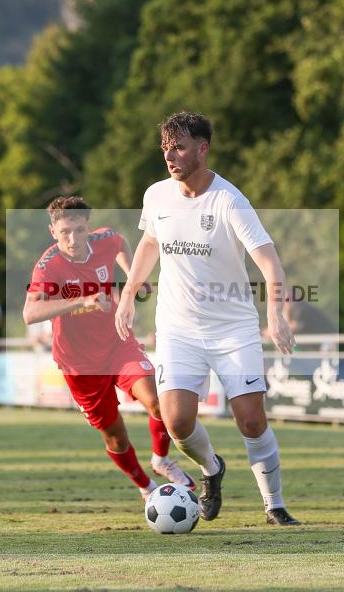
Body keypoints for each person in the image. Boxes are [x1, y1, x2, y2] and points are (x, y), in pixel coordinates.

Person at [115, 112, 300, 526]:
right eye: (165, 148)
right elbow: (149, 243)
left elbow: (270, 263)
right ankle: (212, 469)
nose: (170, 156)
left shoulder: (229, 201)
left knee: (251, 420)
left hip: (233, 329)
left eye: (179, 147)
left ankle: (274, 505)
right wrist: (128, 294)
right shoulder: (157, 195)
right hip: (178, 329)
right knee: (177, 423)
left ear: (203, 148)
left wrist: (275, 314)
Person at [24, 195, 195, 501]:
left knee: (159, 402)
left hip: (118, 343)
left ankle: (161, 459)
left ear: (88, 226)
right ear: (53, 232)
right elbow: (30, 313)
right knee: (115, 436)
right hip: (79, 364)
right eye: (65, 232)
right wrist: (82, 300)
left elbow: (121, 244)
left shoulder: (105, 239)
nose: (73, 239)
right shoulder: (48, 266)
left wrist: (132, 277)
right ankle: (146, 487)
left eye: (79, 230)